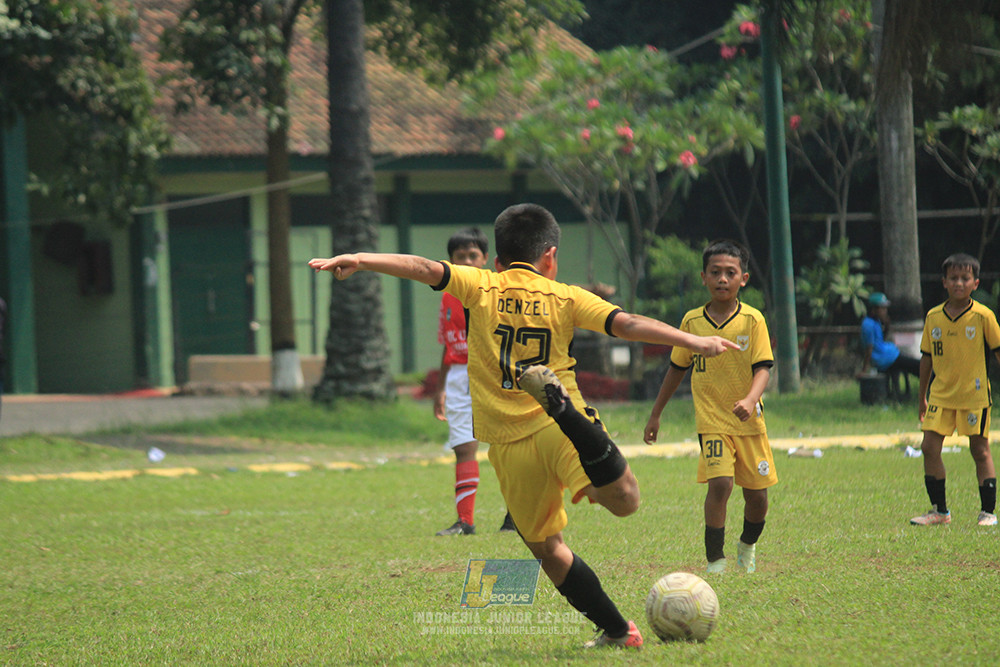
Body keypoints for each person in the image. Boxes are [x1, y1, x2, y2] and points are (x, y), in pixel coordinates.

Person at [309, 203, 738, 649]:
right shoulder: (566, 295)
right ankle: (614, 627)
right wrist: (693, 340)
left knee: (547, 547)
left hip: (505, 443)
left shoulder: (480, 285)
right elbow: (625, 323)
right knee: (625, 499)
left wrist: (361, 259)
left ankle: (617, 630)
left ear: (496, 260)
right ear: (550, 256)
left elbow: (421, 267)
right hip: (557, 425)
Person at [643, 240, 778, 575]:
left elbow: (763, 368)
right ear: (703, 277)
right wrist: (656, 413)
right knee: (720, 485)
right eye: (715, 272)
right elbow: (676, 370)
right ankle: (715, 561)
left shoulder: (752, 320)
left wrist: (749, 399)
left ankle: (747, 545)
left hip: (749, 422)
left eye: (730, 273)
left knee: (758, 498)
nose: (722, 279)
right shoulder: (691, 323)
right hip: (712, 420)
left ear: (743, 279)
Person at [431, 227, 515, 536]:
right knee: (464, 447)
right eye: (459, 256)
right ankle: (464, 521)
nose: (466, 260)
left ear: (485, 260)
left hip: (493, 373)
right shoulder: (447, 296)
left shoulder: (495, 291)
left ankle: (515, 518)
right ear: (450, 261)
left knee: (506, 447)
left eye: (472, 255)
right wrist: (440, 387)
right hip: (458, 377)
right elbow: (448, 344)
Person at [911, 253, 1000, 527]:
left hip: (974, 396)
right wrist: (922, 395)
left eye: (965, 278)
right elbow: (926, 358)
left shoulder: (983, 316)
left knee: (980, 450)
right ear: (944, 282)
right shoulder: (933, 317)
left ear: (975, 283)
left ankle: (987, 513)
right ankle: (940, 511)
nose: (959, 283)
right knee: (928, 447)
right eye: (953, 278)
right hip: (940, 396)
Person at [859, 292, 920, 383]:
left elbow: (879, 341)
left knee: (915, 364)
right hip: (885, 359)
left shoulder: (876, 322)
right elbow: (869, 348)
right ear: (874, 309)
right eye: (882, 308)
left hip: (889, 354)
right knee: (916, 366)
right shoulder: (868, 325)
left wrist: (886, 326)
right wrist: (864, 370)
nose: (885, 311)